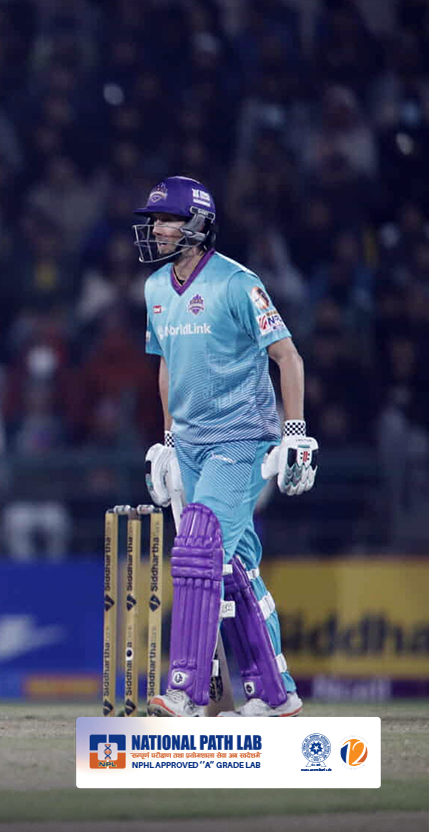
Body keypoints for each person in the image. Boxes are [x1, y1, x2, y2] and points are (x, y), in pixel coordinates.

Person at [136, 177, 317, 718]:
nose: (156, 229)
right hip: (191, 443)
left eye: (166, 220)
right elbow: (166, 366)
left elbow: (288, 357)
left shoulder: (238, 283)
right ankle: (275, 694)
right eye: (154, 220)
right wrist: (168, 440)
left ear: (196, 225)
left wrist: (294, 433)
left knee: (198, 546)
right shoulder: (155, 289)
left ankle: (186, 692)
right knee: (235, 567)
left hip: (240, 439)